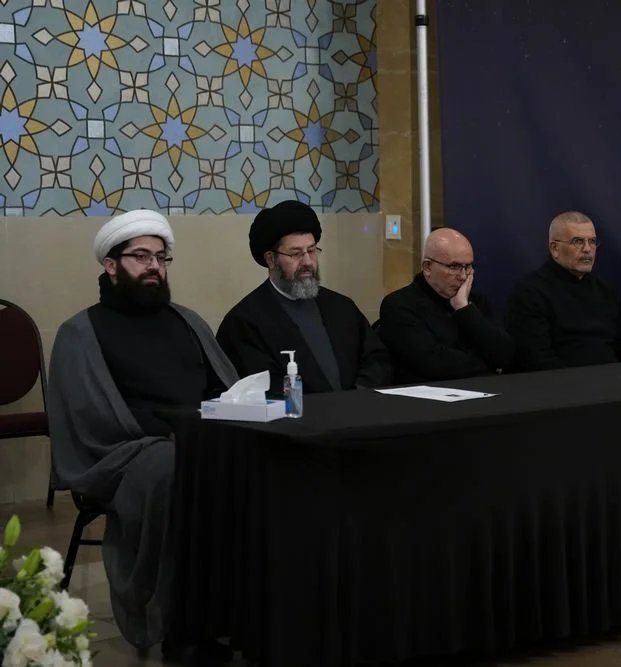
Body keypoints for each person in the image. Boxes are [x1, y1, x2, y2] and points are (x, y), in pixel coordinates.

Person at [47, 210, 238, 659]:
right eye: (140, 257)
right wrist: (175, 436)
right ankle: (185, 626)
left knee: (258, 458)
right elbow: (87, 423)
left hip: (196, 440)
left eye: (161, 257)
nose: (154, 266)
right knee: (175, 470)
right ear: (111, 265)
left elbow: (224, 389)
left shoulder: (187, 321)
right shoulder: (80, 333)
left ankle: (251, 612)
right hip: (126, 454)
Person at [216, 200, 391, 393]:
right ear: (271, 259)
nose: (308, 262)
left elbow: (376, 360)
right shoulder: (243, 322)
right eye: (296, 253)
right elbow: (261, 387)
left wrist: (358, 394)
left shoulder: (341, 306)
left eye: (312, 250)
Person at [505, 211, 621, 370]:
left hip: (616, 378)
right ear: (555, 248)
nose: (587, 249)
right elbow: (537, 360)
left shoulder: (605, 291)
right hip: (563, 381)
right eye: (577, 242)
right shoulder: (530, 293)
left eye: (592, 241)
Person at [378, 227, 514, 382]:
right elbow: (435, 364)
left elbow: (505, 354)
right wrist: (489, 363)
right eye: (454, 267)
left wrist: (465, 310)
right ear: (427, 267)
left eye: (468, 267)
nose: (463, 276)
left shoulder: (476, 300)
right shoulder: (399, 305)